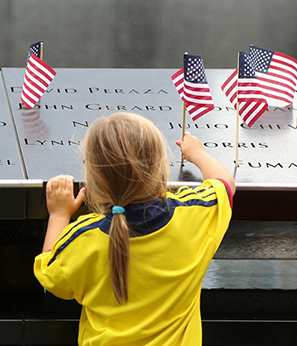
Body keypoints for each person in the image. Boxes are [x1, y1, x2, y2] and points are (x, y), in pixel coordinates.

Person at [34, 112, 235, 346]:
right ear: (159, 167)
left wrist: (59, 215)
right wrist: (198, 154)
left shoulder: (83, 238)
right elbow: (225, 184)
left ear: (95, 178)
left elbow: (50, 274)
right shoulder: (195, 213)